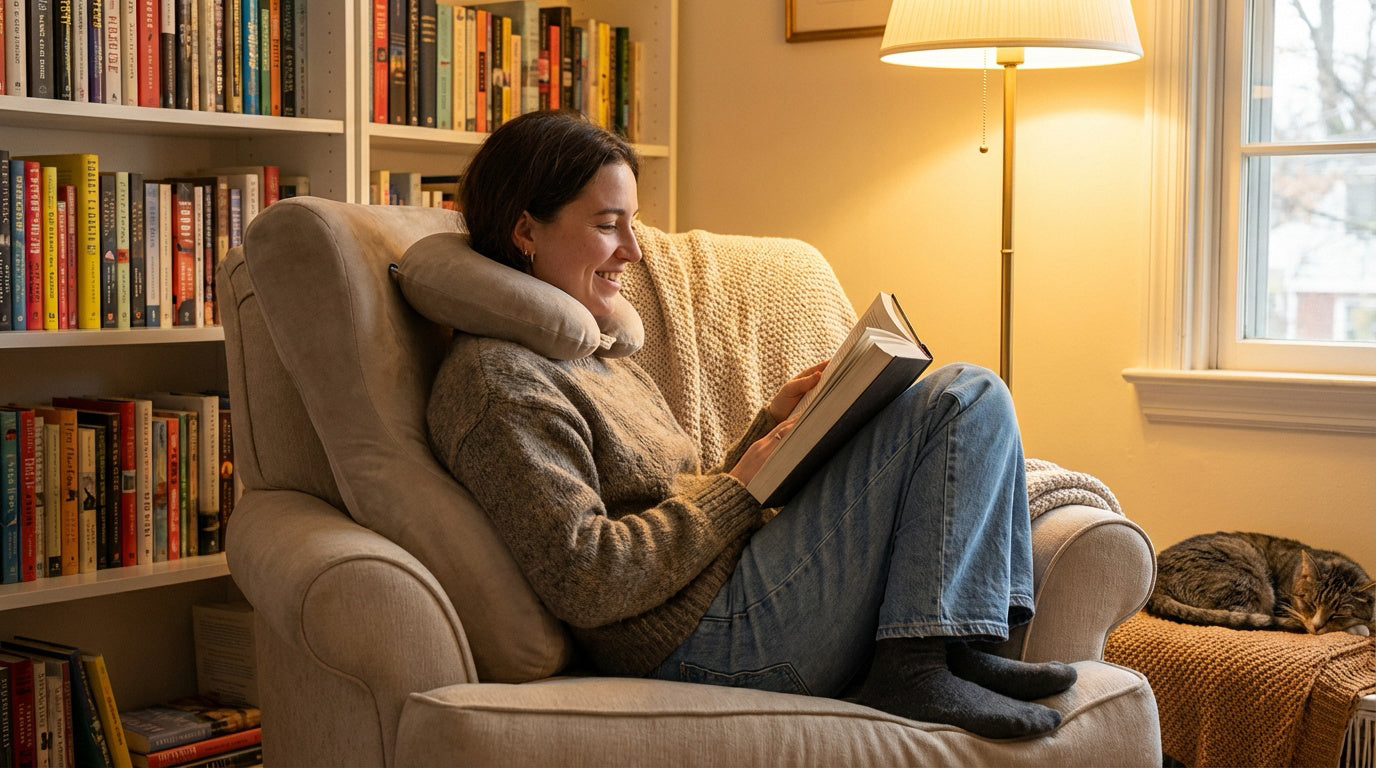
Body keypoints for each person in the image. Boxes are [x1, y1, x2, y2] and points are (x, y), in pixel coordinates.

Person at [427, 110, 1076, 739]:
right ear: (525, 232)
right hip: (710, 643)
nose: (633, 252)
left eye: (633, 225)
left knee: (965, 394)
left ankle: (958, 644)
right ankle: (914, 668)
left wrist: (773, 424)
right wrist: (739, 487)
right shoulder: (499, 384)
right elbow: (587, 578)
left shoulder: (583, 349)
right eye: (607, 225)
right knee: (961, 397)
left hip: (731, 586)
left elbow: (671, 496)